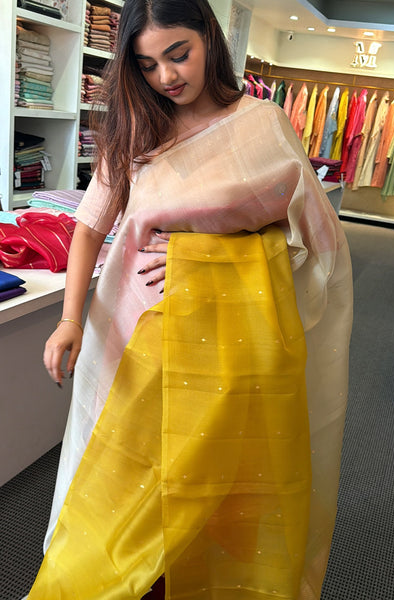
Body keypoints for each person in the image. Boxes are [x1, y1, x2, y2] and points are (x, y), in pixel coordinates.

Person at [27, 1, 353, 598]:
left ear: (209, 37)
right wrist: (69, 319)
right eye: (147, 64)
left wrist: (208, 257)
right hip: (135, 332)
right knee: (129, 485)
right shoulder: (136, 129)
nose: (166, 77)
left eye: (179, 54)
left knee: (214, 481)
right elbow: (90, 228)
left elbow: (317, 242)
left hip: (230, 343)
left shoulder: (263, 125)